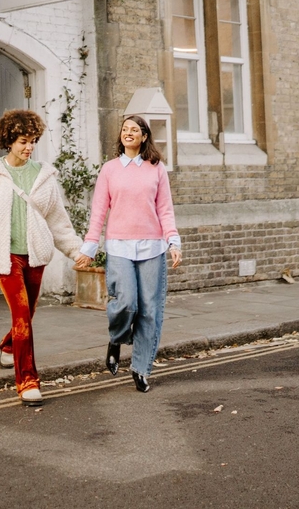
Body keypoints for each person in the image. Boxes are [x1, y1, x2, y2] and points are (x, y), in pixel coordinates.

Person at [0, 109, 89, 406]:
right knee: (21, 315)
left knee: (28, 313)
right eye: (22, 141)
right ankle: (27, 381)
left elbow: (58, 221)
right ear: (8, 140)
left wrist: (76, 251)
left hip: (34, 256)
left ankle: (8, 348)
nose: (29, 147)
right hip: (5, 257)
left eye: (33, 140)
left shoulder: (44, 176)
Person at [79, 115, 182, 393]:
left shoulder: (155, 168)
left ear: (144, 136)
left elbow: (165, 209)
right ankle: (116, 338)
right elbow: (99, 211)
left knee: (150, 310)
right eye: (125, 129)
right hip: (119, 246)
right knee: (126, 302)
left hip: (152, 247)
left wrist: (173, 241)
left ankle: (140, 368)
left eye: (134, 130)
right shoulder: (110, 169)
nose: (128, 133)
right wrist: (89, 247)